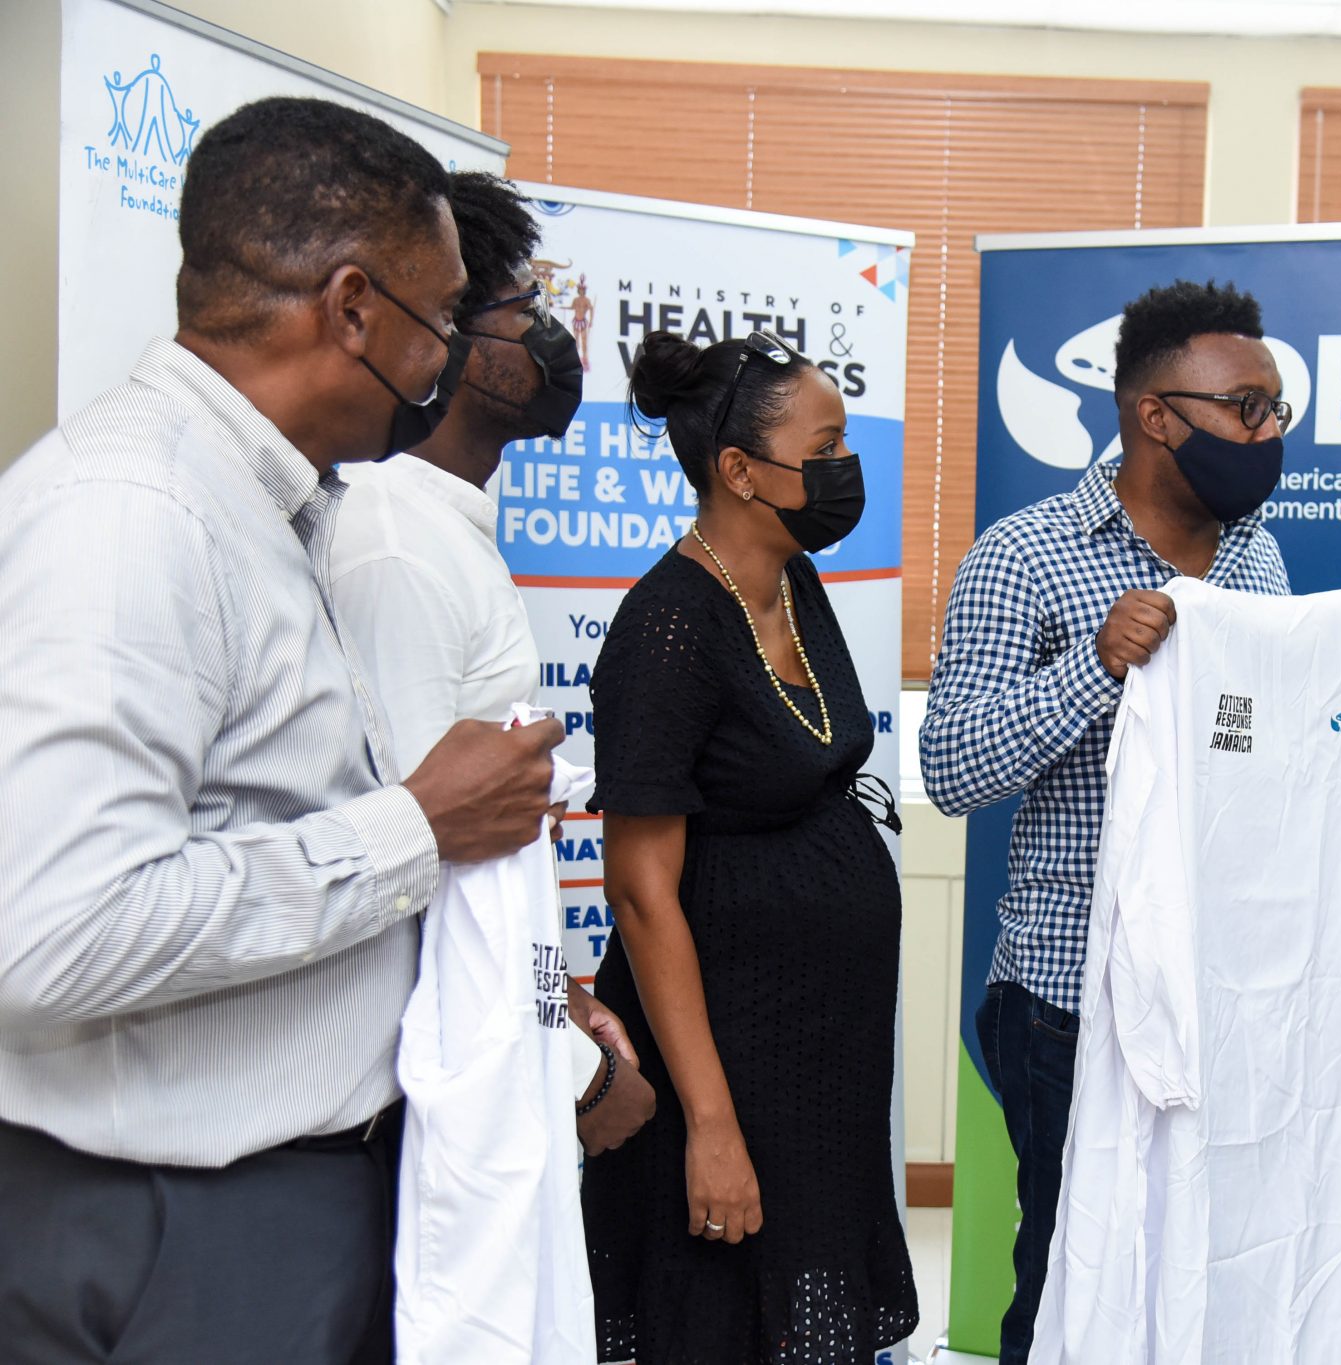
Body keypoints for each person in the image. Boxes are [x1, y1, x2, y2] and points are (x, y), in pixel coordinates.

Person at [0, 98, 564, 1365]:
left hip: (283, 1203)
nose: (447, 364)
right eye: (441, 320)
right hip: (175, 1229)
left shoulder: (274, 508)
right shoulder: (130, 519)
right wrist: (413, 831)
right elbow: (47, 936)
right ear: (353, 308)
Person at [920, 278, 1341, 1364]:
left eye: (1277, 410)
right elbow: (952, 768)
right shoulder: (1023, 555)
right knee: (1072, 1274)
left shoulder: (1259, 558)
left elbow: (1279, 764)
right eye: (1245, 408)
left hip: (1229, 998)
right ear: (1155, 416)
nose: (1269, 432)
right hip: (1068, 996)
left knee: (1202, 1271)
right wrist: (1095, 669)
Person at [580, 328, 918, 1364]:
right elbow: (640, 896)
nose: (842, 471)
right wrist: (711, 1127)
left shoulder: (794, 583)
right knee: (722, 1322)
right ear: (739, 470)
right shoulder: (669, 628)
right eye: (824, 447)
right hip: (725, 1068)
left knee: (812, 1322)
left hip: (820, 1069)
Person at [330, 170, 655, 1154]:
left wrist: (558, 1003)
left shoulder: (447, 524)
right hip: (423, 1090)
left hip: (495, 1036)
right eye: (525, 311)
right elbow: (421, 853)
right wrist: (575, 1077)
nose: (552, 339)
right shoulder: (393, 539)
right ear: (445, 338)